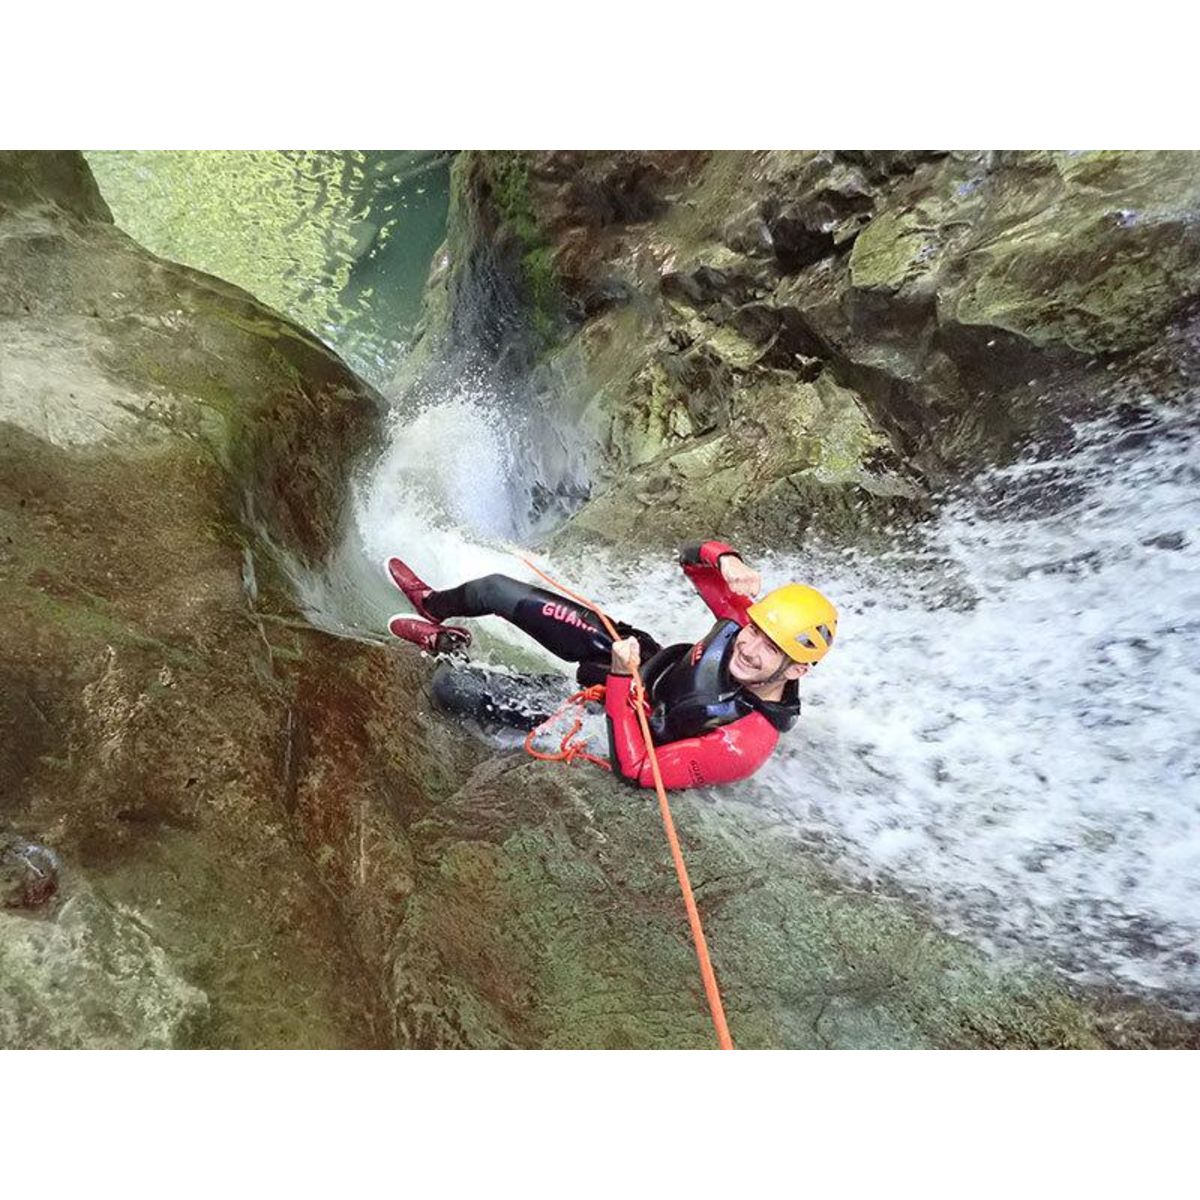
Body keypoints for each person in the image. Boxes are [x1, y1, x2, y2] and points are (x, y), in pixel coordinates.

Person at [385, 540, 837, 791]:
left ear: (796, 670)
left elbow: (639, 770)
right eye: (754, 630)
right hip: (635, 654)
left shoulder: (744, 744)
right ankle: (433, 606)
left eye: (770, 649)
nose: (749, 646)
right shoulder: (743, 627)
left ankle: (452, 646)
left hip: (610, 722)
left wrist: (620, 683)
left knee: (452, 688)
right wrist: (725, 558)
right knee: (496, 589)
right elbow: (688, 555)